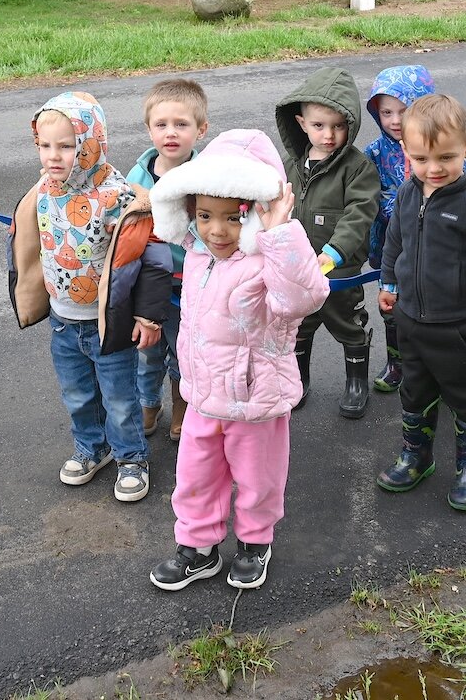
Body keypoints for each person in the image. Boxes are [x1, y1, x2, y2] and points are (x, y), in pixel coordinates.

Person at [145, 130, 328, 591]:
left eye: (233, 217)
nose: (217, 230)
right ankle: (198, 547)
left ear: (255, 215)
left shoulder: (271, 256)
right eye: (204, 215)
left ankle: (254, 542)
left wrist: (280, 233)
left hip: (255, 400)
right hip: (203, 397)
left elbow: (304, 296)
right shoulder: (196, 255)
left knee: (257, 478)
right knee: (195, 475)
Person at [6, 91, 164, 502]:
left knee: (119, 396)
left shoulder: (116, 196)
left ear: (90, 143)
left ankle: (132, 457)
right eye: (44, 146)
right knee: (77, 393)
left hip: (107, 321)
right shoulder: (43, 190)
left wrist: (146, 315)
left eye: (66, 146)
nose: (52, 156)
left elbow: (150, 257)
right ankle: (93, 448)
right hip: (63, 319)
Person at [376, 96, 466, 513]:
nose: (433, 168)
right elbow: (394, 240)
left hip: (459, 327)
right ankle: (416, 456)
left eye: (446, 157)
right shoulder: (407, 192)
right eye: (421, 157)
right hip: (412, 322)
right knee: (414, 393)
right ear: (406, 152)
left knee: (464, 396)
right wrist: (388, 282)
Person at [274, 68, 380, 417]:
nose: (329, 134)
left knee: (348, 324)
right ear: (302, 123)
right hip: (298, 271)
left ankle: (355, 383)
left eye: (338, 125)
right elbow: (273, 204)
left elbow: (360, 212)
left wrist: (334, 252)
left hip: (340, 272)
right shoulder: (290, 165)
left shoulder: (357, 167)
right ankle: (298, 381)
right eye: (319, 126)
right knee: (299, 327)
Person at [127, 78, 210, 442]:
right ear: (149, 129)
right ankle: (148, 404)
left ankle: (182, 404)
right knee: (147, 350)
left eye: (182, 124)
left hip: (188, 283)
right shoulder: (135, 178)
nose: (170, 133)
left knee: (182, 351)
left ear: (201, 129)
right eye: (161, 125)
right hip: (147, 283)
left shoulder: (206, 177)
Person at [362, 65, 441, 394]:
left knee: (433, 307)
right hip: (394, 248)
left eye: (404, 111)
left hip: (436, 248)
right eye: (386, 112)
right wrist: (401, 212)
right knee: (390, 306)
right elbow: (371, 196)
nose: (395, 120)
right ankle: (397, 362)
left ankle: (431, 363)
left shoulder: (437, 145)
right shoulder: (375, 154)